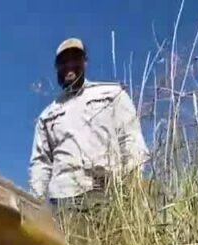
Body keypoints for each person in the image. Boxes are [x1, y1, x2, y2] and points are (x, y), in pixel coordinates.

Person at [28, 38, 149, 211]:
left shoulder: (112, 94)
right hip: (63, 201)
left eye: (75, 58)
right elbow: (41, 163)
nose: (69, 65)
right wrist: (36, 205)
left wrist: (131, 189)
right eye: (63, 62)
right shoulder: (47, 115)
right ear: (57, 68)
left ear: (84, 62)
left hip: (107, 194)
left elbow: (131, 141)